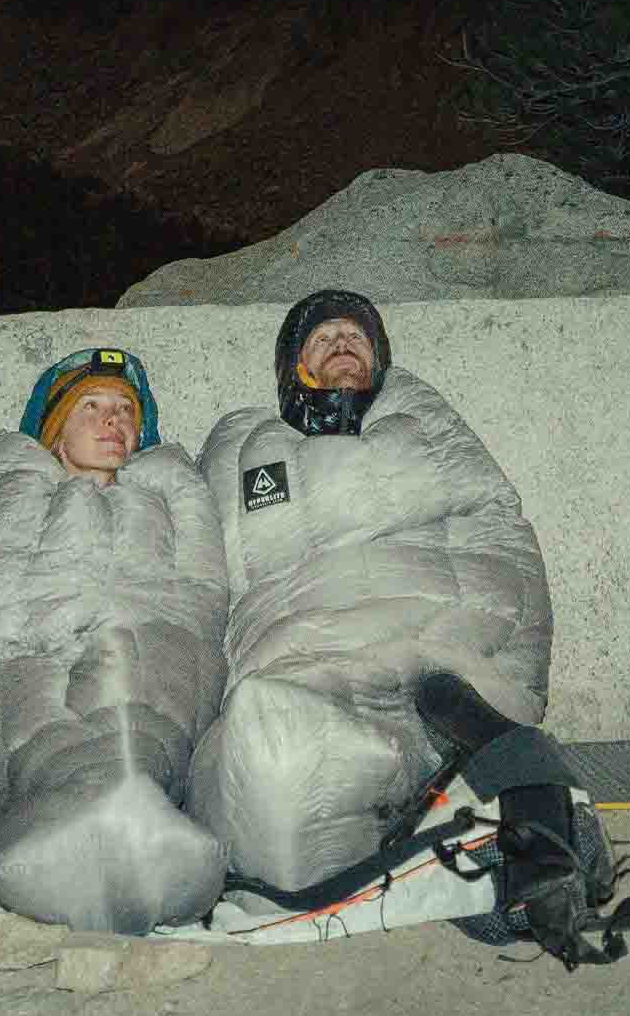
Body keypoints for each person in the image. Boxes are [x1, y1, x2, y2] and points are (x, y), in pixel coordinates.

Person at [184, 289, 554, 899]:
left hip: (437, 657)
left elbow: (501, 538)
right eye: (324, 338)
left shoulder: (422, 425)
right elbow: (211, 587)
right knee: (265, 752)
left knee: (346, 747)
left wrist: (513, 673)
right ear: (293, 366)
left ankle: (463, 783)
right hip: (302, 662)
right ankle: (432, 811)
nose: (343, 346)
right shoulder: (242, 447)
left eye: (357, 338)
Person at [0, 344, 229, 934]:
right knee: (38, 721)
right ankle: (100, 827)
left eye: (126, 410)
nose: (112, 421)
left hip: (127, 658)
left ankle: (97, 823)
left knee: (138, 689)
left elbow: (200, 604)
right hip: (5, 664)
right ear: (53, 428)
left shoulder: (171, 496)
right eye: (91, 406)